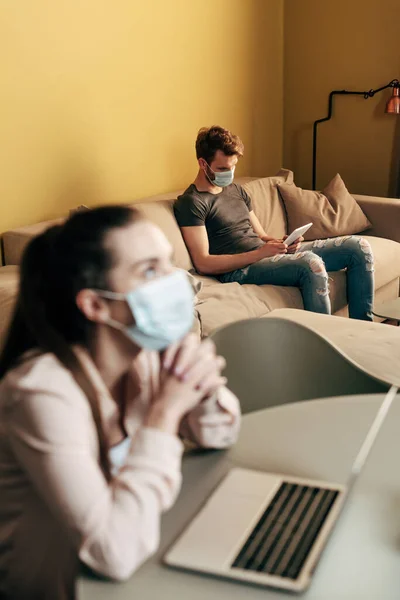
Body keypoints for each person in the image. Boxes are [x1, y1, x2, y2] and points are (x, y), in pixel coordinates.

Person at [0, 206, 240, 600]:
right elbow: (114, 551)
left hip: (145, 551)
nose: (176, 282)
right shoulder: (42, 391)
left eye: (168, 263)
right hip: (62, 584)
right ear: (95, 305)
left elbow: (220, 433)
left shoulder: (143, 352)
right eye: (149, 271)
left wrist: (198, 383)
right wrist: (165, 413)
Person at [174, 125, 374, 321]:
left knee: (358, 248)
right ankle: (323, 343)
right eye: (223, 168)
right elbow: (203, 262)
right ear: (203, 163)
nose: (230, 173)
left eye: (233, 166)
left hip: (264, 255)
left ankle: (362, 330)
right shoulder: (192, 202)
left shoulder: (236, 190)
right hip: (239, 269)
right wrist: (259, 254)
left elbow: (261, 235)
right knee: (311, 264)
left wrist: (283, 243)